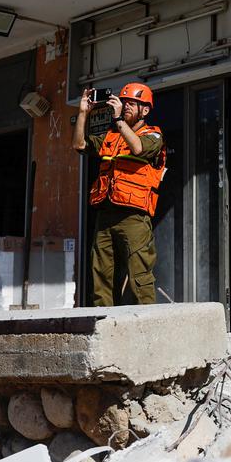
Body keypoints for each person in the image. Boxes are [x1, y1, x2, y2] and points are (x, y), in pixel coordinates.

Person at [72, 83, 166, 305]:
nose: (126, 107)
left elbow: (138, 148)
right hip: (106, 215)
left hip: (133, 217)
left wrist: (118, 120)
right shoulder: (111, 136)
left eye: (132, 104)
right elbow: (79, 144)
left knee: (139, 274)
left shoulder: (153, 135)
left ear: (145, 110)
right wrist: (83, 113)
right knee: (101, 274)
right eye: (124, 103)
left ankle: (146, 321)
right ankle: (104, 320)